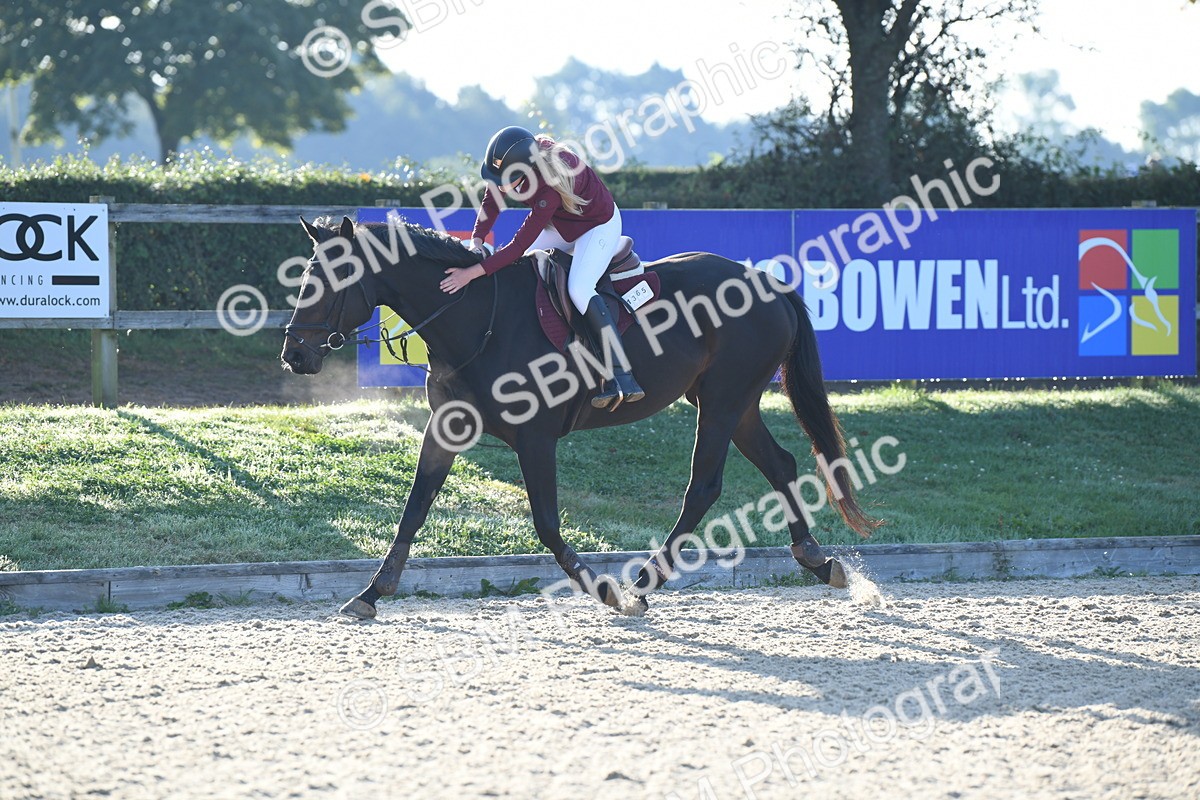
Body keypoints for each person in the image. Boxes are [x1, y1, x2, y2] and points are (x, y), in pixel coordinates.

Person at [439, 125, 644, 410]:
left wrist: (470, 274)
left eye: (504, 180)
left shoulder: (548, 184)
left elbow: (517, 246)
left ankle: (622, 373)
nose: (498, 185)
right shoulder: (517, 163)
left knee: (579, 288)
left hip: (598, 226)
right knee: (526, 270)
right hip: (564, 223)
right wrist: (477, 238)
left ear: (524, 170)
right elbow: (491, 200)